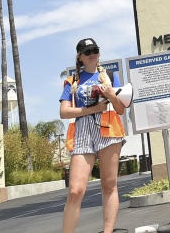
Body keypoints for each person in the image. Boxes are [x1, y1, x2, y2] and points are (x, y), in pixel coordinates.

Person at [60, 38, 127, 233]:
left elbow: (121, 109)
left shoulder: (111, 77)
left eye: (95, 50)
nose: (92, 54)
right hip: (82, 132)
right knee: (75, 191)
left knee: (109, 185)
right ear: (80, 57)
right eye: (87, 52)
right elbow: (64, 112)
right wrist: (92, 109)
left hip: (108, 129)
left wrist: (111, 95)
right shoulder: (72, 81)